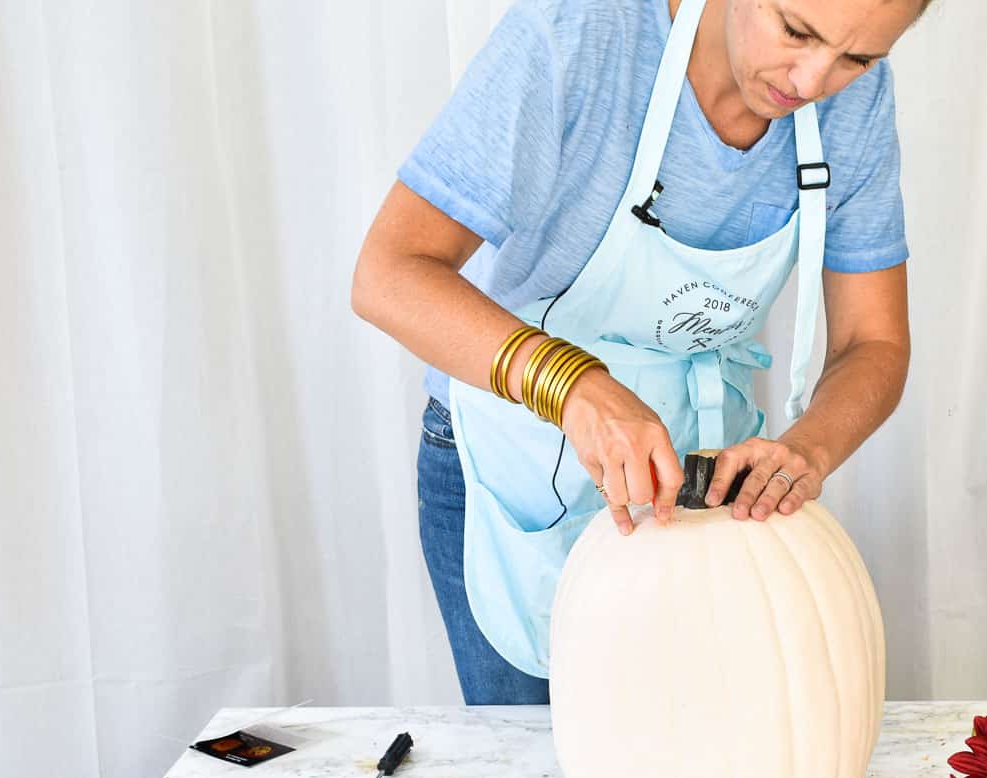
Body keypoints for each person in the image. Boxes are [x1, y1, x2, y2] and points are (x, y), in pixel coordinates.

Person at [351, 0, 925, 705]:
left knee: (698, 770)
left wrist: (807, 448)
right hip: (515, 458)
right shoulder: (577, 34)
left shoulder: (853, 101)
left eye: (857, 58)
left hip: (698, 484)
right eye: (796, 31)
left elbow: (875, 340)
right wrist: (577, 387)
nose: (811, 80)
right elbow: (388, 273)